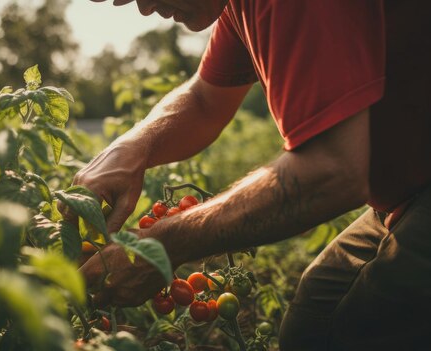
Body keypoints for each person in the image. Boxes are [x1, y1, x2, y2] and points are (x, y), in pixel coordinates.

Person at [77, 0, 431, 349]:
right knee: (316, 321)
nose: (143, 9)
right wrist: (131, 148)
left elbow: (329, 170)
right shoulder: (240, 8)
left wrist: (167, 243)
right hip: (407, 194)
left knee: (348, 330)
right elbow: (205, 100)